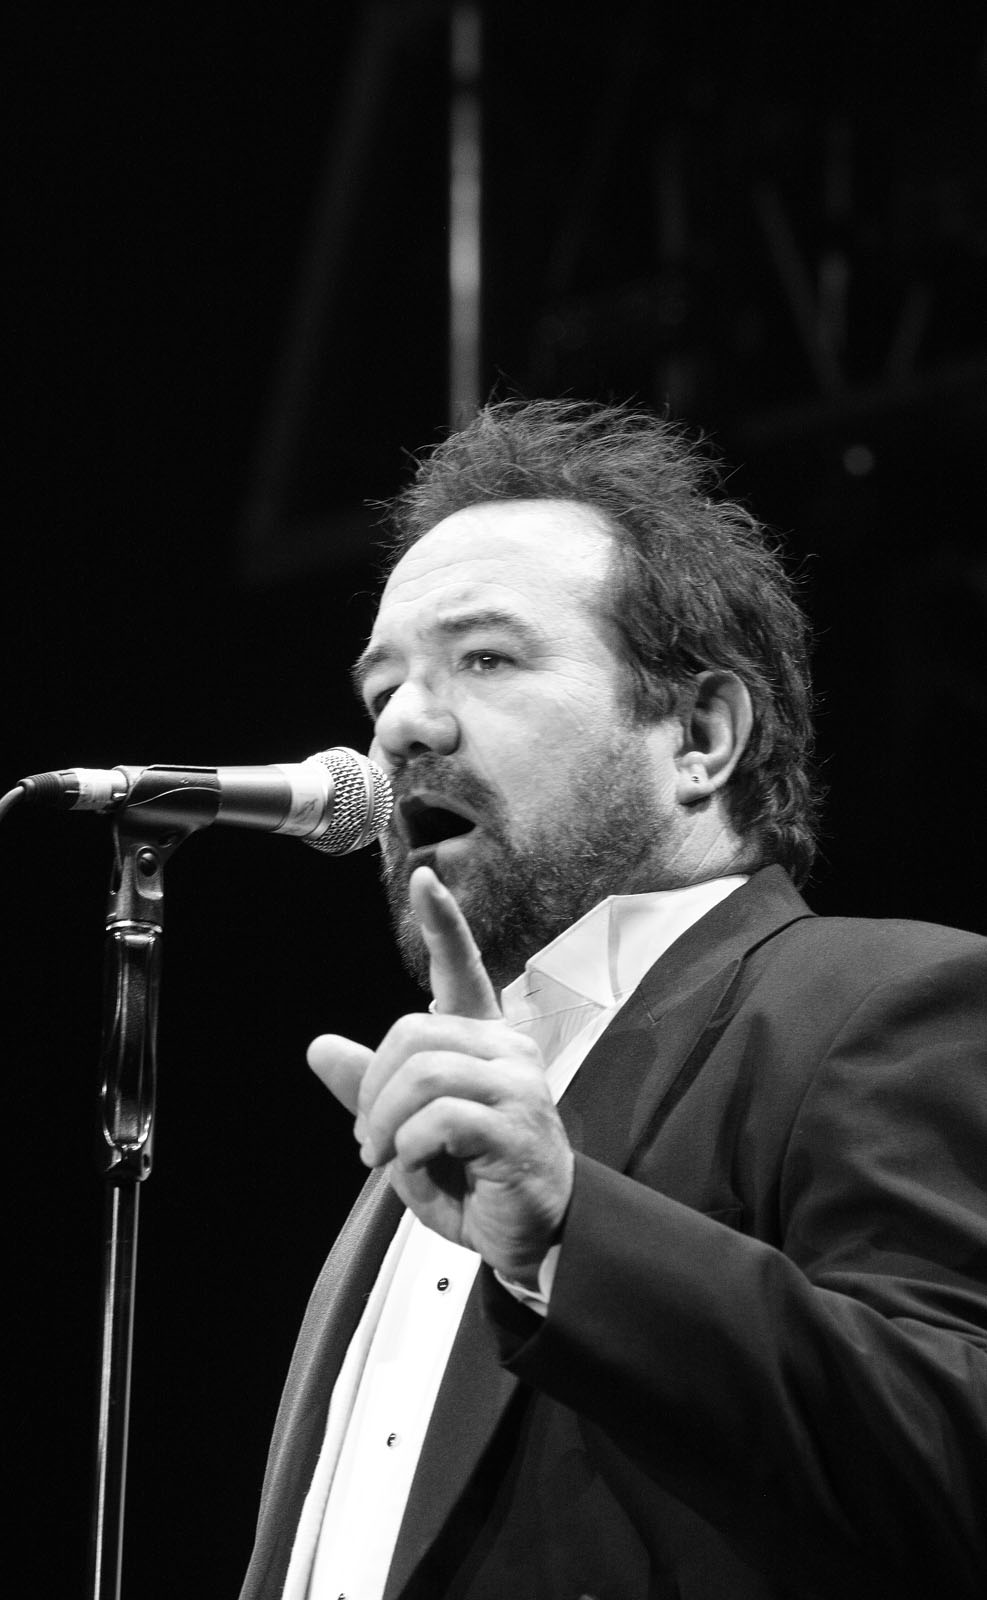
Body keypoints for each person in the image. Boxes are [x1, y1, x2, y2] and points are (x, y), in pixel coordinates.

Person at [238, 400, 987, 1600]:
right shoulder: (430, 1124)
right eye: (382, 687)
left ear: (699, 733)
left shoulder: (879, 1003)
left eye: (486, 658)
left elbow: (954, 1461)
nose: (403, 725)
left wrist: (569, 1234)